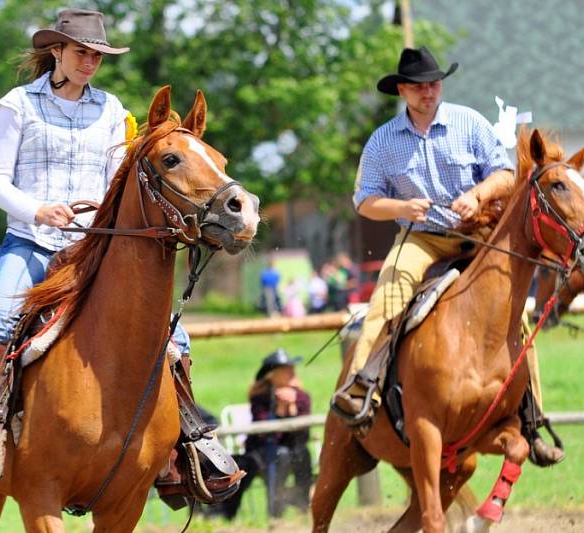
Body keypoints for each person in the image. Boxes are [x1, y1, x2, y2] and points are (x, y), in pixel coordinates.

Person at [330, 46, 564, 466]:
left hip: (480, 237)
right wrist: (401, 208)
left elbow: (507, 174)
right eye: (419, 86)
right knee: (388, 297)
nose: (428, 91)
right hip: (423, 239)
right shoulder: (382, 141)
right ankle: (360, 387)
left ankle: (531, 417)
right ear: (402, 90)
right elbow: (364, 202)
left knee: (518, 317)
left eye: (434, 83)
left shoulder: (468, 122)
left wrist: (478, 195)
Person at [0, 7, 135, 481]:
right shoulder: (17, 105)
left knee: (171, 330)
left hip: (93, 248)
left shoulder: (112, 110)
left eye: (98, 54)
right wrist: (39, 210)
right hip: (30, 241)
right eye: (82, 52)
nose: (91, 62)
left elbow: (117, 180)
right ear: (57, 51)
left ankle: (187, 439)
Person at [218, 349, 313, 519]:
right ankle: (275, 511)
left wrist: (292, 408)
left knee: (302, 452)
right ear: (273, 375)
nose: (292, 371)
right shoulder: (260, 397)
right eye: (286, 369)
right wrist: (280, 409)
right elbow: (265, 436)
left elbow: (303, 435)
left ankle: (302, 503)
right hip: (262, 453)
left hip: (293, 452)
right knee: (281, 453)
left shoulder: (302, 397)